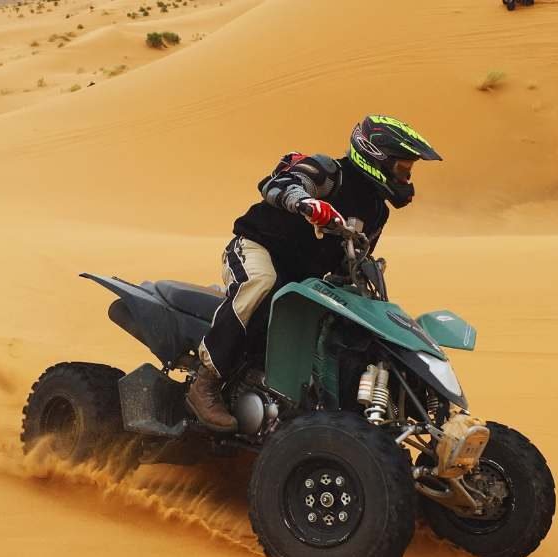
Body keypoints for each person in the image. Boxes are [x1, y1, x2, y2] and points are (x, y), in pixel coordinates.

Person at [187, 114, 443, 432]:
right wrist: (306, 203)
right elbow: (278, 185)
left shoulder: (377, 211)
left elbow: (352, 261)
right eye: (402, 168)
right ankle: (206, 382)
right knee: (261, 282)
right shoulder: (328, 172)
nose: (406, 177)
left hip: (302, 279)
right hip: (256, 249)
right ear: (377, 158)